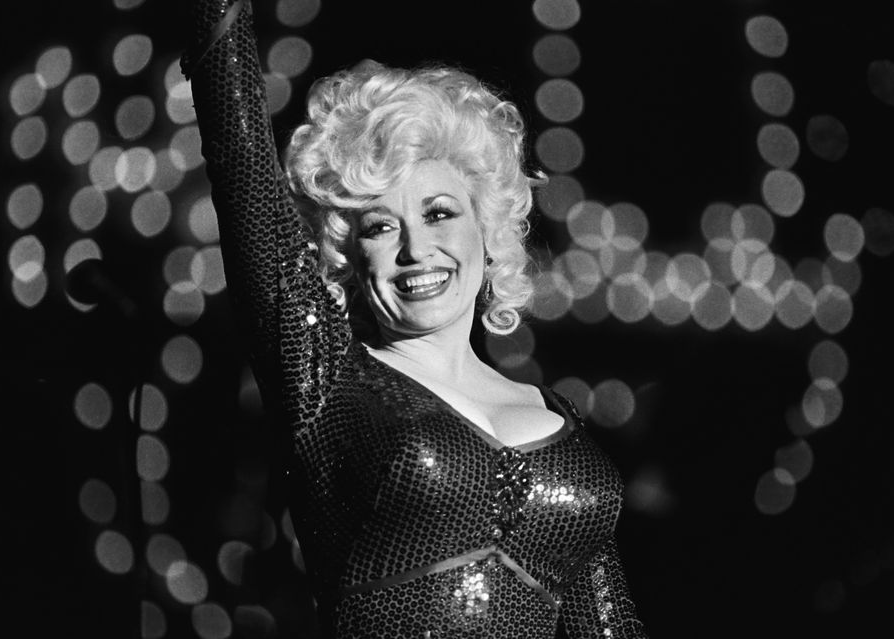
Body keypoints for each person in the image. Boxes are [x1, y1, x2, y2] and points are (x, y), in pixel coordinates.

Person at [185, 0, 648, 636]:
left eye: (438, 214)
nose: (415, 249)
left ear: (486, 228)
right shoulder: (323, 377)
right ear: (349, 257)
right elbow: (239, 157)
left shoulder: (558, 412)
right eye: (380, 227)